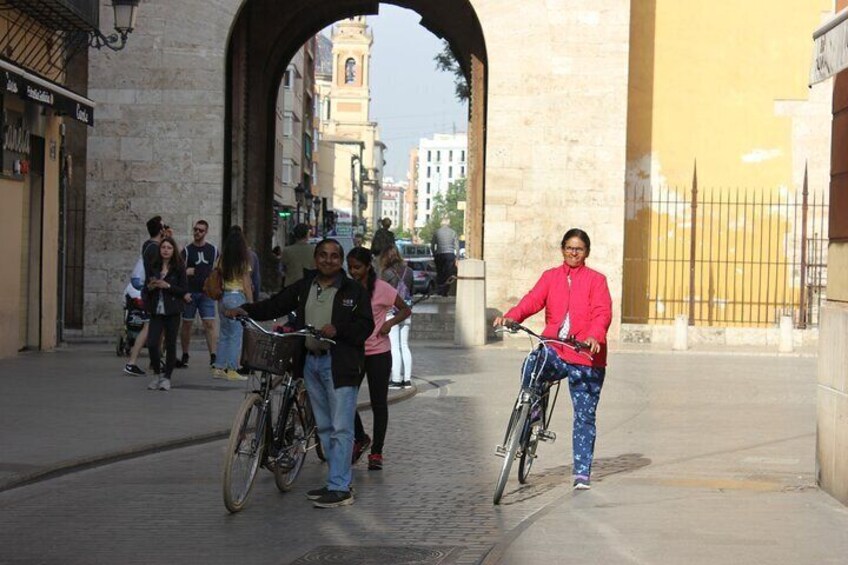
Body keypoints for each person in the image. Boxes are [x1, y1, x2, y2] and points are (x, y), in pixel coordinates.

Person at [226, 239, 374, 508]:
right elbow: (276, 305)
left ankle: (340, 487)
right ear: (315, 259)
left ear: (339, 260)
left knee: (342, 428)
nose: (328, 260)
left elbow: (366, 326)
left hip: (340, 365)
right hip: (312, 363)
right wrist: (246, 310)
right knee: (325, 427)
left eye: (333, 256)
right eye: (323, 256)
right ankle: (336, 481)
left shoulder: (353, 290)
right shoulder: (305, 286)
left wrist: (337, 330)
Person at [493, 228, 612, 491]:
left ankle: (581, 472)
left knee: (584, 416)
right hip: (556, 349)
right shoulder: (551, 277)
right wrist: (512, 316)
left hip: (585, 355)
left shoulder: (597, 281)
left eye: (578, 249)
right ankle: (531, 409)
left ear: (586, 253)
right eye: (569, 247)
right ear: (562, 249)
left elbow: (602, 313)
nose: (573, 252)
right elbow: (532, 300)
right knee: (532, 364)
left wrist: (594, 336)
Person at [348, 247, 411, 471]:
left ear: (367, 267)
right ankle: (360, 437)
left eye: (357, 267)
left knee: (378, 404)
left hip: (378, 353)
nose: (353, 271)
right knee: (345, 399)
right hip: (354, 352)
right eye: (350, 267)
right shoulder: (347, 289)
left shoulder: (382, 288)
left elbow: (405, 309)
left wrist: (389, 324)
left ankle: (376, 452)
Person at [142, 237, 190, 391]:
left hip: (172, 310)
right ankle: (157, 374)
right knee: (152, 343)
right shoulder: (153, 266)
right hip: (156, 309)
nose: (166, 250)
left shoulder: (179, 267)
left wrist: (167, 285)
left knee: (170, 344)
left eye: (169, 247)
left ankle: (167, 377)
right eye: (163, 247)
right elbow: (145, 288)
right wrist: (150, 287)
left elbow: (183, 289)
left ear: (173, 250)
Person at [124, 216, 166, 376]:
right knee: (149, 327)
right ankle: (132, 362)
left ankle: (153, 360)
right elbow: (158, 270)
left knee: (154, 327)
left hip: (150, 291)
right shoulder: (155, 248)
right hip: (154, 292)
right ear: (160, 230)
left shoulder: (148, 245)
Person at [211, 228, 253, 380]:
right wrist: (251, 304)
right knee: (236, 335)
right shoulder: (243, 261)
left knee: (224, 334)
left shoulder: (222, 259)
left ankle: (219, 367)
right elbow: (247, 285)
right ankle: (232, 369)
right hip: (237, 297)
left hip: (223, 297)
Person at [177, 220, 219, 368]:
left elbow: (216, 270)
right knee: (187, 324)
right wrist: (184, 291)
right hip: (190, 292)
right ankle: (185, 354)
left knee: (209, 324)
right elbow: (179, 272)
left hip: (206, 292)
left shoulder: (213, 250)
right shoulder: (187, 251)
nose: (197, 233)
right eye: (195, 230)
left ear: (206, 232)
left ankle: (213, 356)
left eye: (201, 230)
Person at [380, 245, 414, 389]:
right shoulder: (409, 271)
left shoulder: (386, 273)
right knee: (405, 345)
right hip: (406, 311)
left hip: (391, 313)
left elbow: (381, 293)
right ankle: (407, 379)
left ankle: (396, 379)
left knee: (394, 347)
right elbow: (412, 290)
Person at [280, 223, 316, 288]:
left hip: (291, 285)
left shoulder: (287, 251)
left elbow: (283, 268)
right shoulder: (314, 250)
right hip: (308, 286)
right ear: (307, 235)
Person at [431, 218, 458, 296]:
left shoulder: (436, 232)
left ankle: (439, 290)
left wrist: (434, 254)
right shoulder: (453, 232)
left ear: (441, 224)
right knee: (448, 274)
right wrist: (457, 258)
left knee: (440, 273)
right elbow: (457, 246)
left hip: (439, 255)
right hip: (450, 254)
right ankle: (445, 291)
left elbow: (432, 245)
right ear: (449, 224)